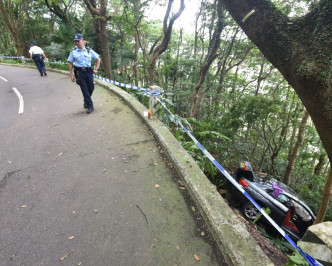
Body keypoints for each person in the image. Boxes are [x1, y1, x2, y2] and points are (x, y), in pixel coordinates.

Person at [68, 34, 100, 114]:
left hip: (89, 72)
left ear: (84, 41)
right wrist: (71, 75)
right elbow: (70, 63)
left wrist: (96, 69)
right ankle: (90, 106)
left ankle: (86, 100)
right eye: (75, 41)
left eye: (78, 41)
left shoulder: (89, 50)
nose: (76, 43)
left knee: (91, 88)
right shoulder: (73, 51)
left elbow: (98, 59)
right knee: (84, 89)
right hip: (79, 73)